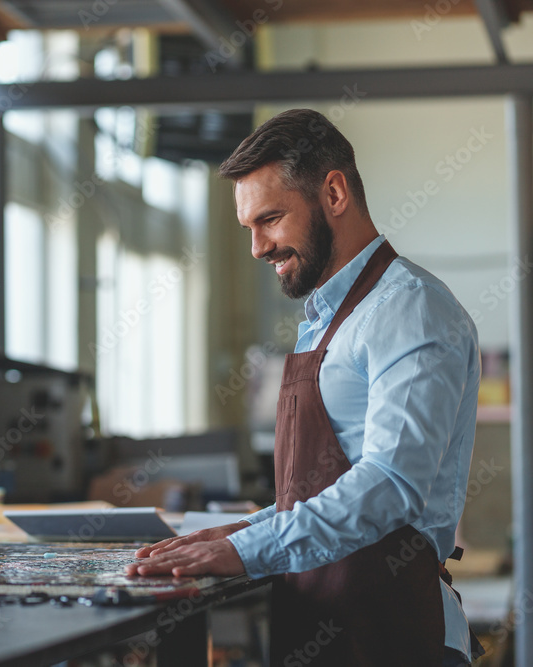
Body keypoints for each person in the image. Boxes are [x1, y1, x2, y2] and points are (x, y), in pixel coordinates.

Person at [126, 109, 482, 667]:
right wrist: (240, 529)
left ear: (334, 193)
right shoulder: (326, 317)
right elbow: (322, 493)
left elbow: (391, 484)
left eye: (270, 219)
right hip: (322, 628)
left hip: (394, 635)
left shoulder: (409, 309)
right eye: (249, 228)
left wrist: (243, 550)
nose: (257, 248)